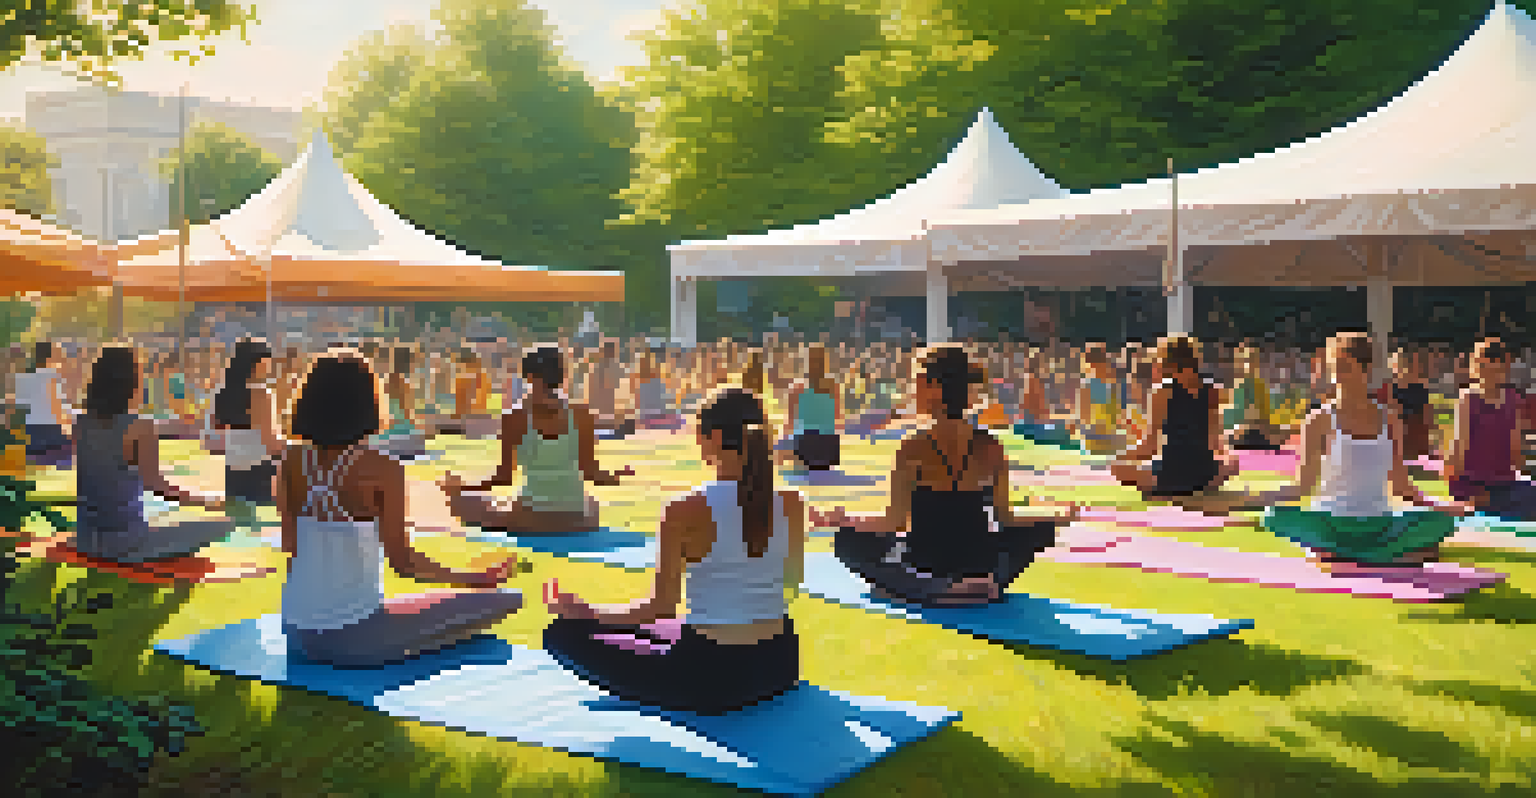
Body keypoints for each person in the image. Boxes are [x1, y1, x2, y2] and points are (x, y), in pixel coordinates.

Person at [543, 387, 804, 714]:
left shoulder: (685, 508)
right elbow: (791, 587)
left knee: (561, 633)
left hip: (710, 678)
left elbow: (660, 607)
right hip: (779, 665)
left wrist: (590, 613)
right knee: (651, 628)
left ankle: (587, 623)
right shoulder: (792, 503)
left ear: (716, 437)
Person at [276, 348, 522, 667]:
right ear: (368, 403)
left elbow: (290, 545)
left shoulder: (291, 460)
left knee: (421, 611)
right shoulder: (383, 468)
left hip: (295, 633)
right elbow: (403, 563)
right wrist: (472, 578)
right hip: (355, 638)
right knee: (506, 600)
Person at [812, 345, 1075, 606]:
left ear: (934, 388)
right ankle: (983, 582)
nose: (911, 391)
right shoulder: (991, 446)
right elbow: (1007, 518)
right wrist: (1055, 517)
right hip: (979, 561)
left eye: (915, 383)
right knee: (1039, 532)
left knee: (847, 541)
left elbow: (893, 523)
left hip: (926, 562)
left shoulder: (912, 447)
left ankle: (937, 589)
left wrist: (846, 521)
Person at [1263, 333, 1470, 570]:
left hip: (1379, 523)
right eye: (1334, 368)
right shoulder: (1318, 420)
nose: (1338, 376)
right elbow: (1303, 487)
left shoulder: (1390, 419)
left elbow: (1401, 486)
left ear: (1366, 369)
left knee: (1443, 522)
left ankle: (1348, 554)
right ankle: (1380, 555)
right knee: (1273, 515)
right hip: (1331, 522)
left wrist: (1441, 506)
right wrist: (1247, 500)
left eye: (1345, 368)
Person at [439, 346, 634, 534]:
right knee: (591, 502)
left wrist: (463, 487)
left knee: (465, 502)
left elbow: (504, 478)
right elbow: (591, 473)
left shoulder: (514, 416)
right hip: (575, 519)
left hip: (530, 519)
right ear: (561, 376)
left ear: (528, 377)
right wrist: (614, 477)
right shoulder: (582, 414)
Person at [72, 345, 233, 563]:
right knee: (224, 525)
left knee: (162, 519)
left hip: (85, 538)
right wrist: (209, 501)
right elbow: (157, 485)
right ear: (130, 382)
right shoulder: (141, 426)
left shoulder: (80, 423)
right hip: (125, 542)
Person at [1111, 335, 1239, 499]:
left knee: (1118, 468)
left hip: (1171, 474)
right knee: (1225, 467)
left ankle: (1166, 486)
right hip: (1204, 474)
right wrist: (1228, 461)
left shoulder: (1162, 392)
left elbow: (1149, 446)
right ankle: (1210, 481)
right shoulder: (1213, 390)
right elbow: (1214, 441)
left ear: (1169, 363)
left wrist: (1122, 458)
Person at [1446, 337, 1536, 520]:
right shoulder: (1468, 399)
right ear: (1477, 367)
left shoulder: (1513, 399)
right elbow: (1458, 449)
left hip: (1504, 484)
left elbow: (1516, 454)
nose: (1495, 370)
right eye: (1488, 364)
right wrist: (1458, 487)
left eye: (1499, 364)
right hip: (1473, 484)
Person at [213, 339, 286, 539]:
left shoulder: (223, 393)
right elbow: (270, 441)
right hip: (259, 470)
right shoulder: (261, 393)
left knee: (239, 534)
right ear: (257, 363)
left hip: (233, 470)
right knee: (262, 535)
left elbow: (214, 437)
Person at [782, 343, 842, 471]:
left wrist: (783, 450)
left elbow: (790, 422)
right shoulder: (833, 386)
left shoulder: (797, 388)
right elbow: (837, 416)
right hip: (828, 445)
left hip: (805, 443)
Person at [13, 340, 72, 467]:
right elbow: (58, 410)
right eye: (59, 355)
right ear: (49, 357)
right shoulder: (52, 376)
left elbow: (20, 408)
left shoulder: (23, 378)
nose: (62, 359)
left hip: (32, 432)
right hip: (51, 432)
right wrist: (69, 430)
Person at [1376, 347, 1433, 464]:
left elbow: (1427, 415)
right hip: (1403, 433)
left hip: (1411, 434)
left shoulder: (1419, 386)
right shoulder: (1389, 387)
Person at [1225, 345, 1285, 451]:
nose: (1250, 364)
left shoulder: (1260, 386)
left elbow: (1266, 417)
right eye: (1247, 360)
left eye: (1253, 359)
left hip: (1255, 435)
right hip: (1245, 436)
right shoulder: (1237, 387)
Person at [1076, 344, 1123, 455]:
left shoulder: (1109, 385)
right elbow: (1085, 419)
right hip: (1096, 440)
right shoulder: (1090, 386)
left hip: (1099, 438)